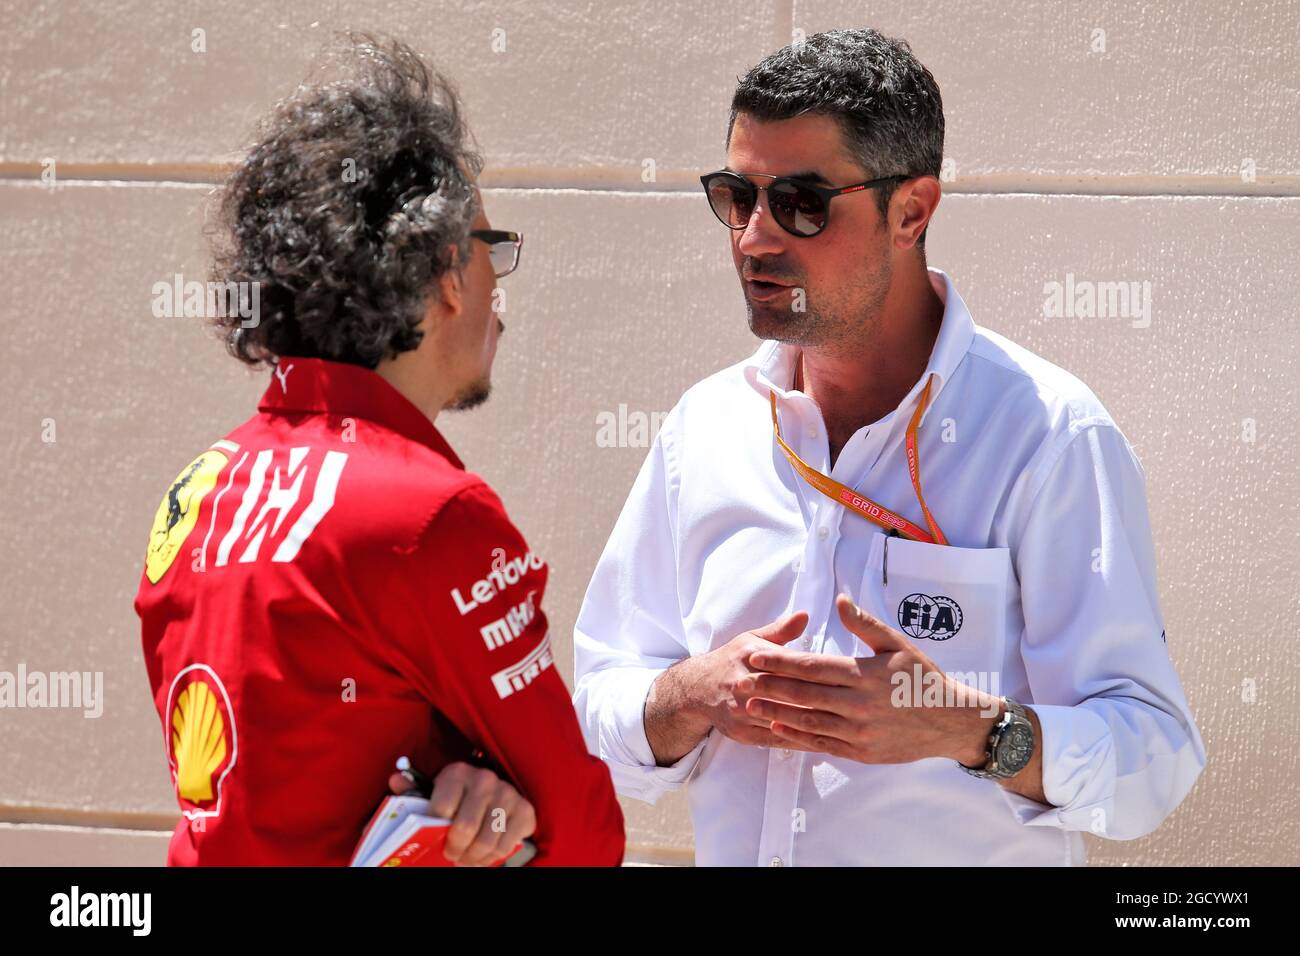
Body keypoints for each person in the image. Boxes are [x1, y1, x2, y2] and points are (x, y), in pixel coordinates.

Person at [573, 28, 1204, 866]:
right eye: (736, 196)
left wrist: (970, 731)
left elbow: (1153, 759)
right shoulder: (705, 427)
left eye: (801, 202)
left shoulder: (1047, 435)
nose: (754, 237)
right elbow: (600, 698)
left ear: (910, 212)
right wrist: (686, 697)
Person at [135, 34, 624, 866]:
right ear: (446, 273)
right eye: (491, 247)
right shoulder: (428, 512)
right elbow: (583, 833)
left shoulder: (198, 489)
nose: (499, 289)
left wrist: (458, 782)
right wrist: (481, 797)